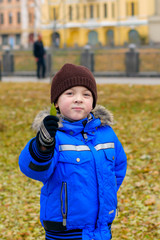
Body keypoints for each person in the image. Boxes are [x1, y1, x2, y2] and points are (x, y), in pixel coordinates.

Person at [19, 63, 127, 240]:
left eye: (86, 94)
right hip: (64, 230)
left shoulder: (106, 134)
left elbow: (118, 167)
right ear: (56, 103)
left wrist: (105, 194)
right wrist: (43, 145)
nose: (79, 99)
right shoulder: (54, 135)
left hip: (101, 227)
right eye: (70, 93)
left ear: (93, 102)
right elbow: (32, 169)